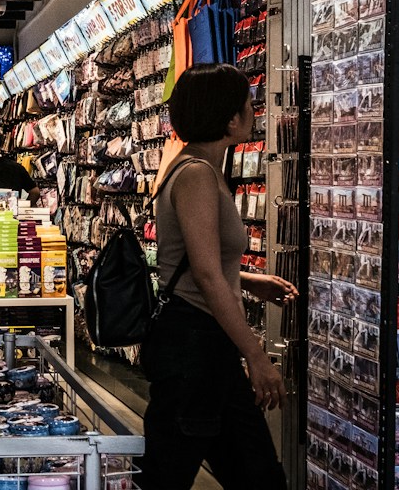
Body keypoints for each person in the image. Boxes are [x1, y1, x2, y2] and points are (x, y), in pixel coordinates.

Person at [141, 64, 298, 490]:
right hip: (194, 349)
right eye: (249, 105)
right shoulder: (195, 174)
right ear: (230, 118)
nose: (254, 112)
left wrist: (246, 279)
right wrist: (258, 356)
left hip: (204, 349)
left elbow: (199, 263)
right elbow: (207, 276)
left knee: (256, 474)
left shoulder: (200, 169)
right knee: (170, 475)